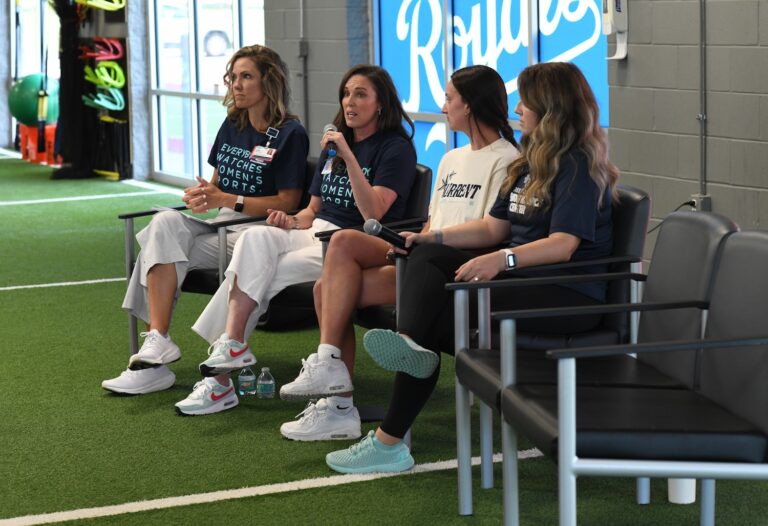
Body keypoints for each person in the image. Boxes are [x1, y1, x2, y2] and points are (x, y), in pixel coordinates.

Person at [325, 61, 619, 473]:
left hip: (564, 289)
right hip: (524, 278)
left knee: (431, 323)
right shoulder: (531, 161)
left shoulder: (577, 164)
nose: (517, 109)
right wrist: (433, 238)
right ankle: (394, 416)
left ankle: (389, 439)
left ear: (549, 108)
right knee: (427, 257)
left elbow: (563, 245)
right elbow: (493, 226)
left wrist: (503, 258)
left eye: (526, 102)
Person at [277, 65, 520, 441]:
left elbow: (493, 232)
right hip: (425, 255)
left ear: (469, 106)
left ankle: (337, 397)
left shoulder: (506, 158)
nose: (443, 107)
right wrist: (417, 237)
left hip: (454, 269)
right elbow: (434, 220)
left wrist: (432, 239)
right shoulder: (452, 158)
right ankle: (334, 388)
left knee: (326, 288)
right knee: (336, 257)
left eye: (449, 99)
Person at [174, 64, 418, 416]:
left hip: (349, 246)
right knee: (256, 239)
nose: (349, 102)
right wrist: (288, 220)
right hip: (313, 230)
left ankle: (221, 376)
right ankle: (230, 348)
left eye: (361, 94)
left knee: (261, 271)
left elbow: (374, 213)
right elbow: (310, 210)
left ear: (381, 103)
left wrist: (348, 157)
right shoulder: (336, 145)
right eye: (346, 94)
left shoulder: (395, 149)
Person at [102, 45, 309, 395]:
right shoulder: (233, 124)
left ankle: (167, 361)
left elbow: (287, 202)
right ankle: (157, 344)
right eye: (232, 78)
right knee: (164, 224)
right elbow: (216, 185)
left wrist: (227, 200)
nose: (236, 85)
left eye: (246, 77)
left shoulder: (291, 133)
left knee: (161, 238)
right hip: (222, 226)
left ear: (268, 82)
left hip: (256, 232)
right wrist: (202, 196)